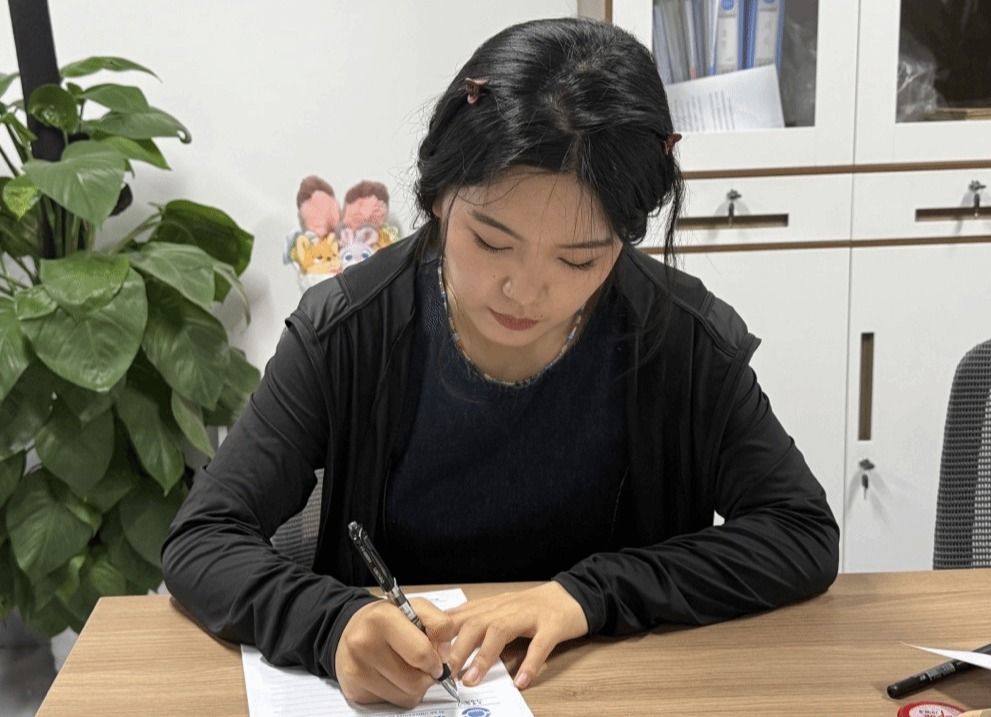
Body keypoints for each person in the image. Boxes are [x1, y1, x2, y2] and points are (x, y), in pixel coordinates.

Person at [162, 16, 839, 710]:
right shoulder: (348, 331)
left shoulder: (684, 340)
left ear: (625, 239)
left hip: (610, 694)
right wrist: (333, 623)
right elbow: (203, 537)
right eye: (490, 242)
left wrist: (586, 596)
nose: (524, 291)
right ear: (437, 197)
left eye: (578, 260)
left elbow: (800, 532)